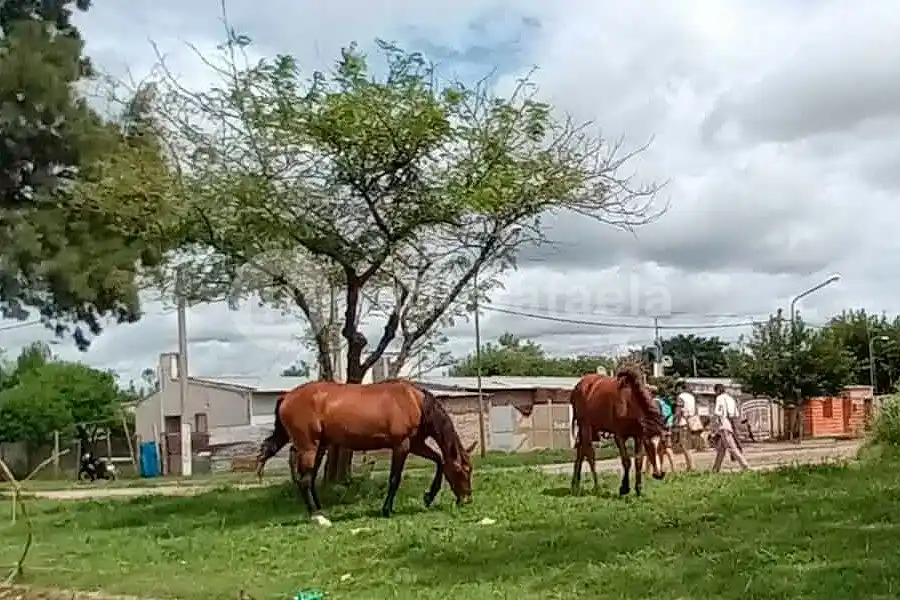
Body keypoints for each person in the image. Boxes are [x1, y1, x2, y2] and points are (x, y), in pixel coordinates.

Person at [711, 383, 750, 472]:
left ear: (717, 390)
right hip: (731, 424)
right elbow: (735, 414)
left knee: (732, 448)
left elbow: (718, 413)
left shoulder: (720, 398)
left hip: (723, 425)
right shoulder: (731, 398)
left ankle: (745, 466)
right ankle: (715, 469)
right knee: (721, 450)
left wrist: (713, 426)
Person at [673, 381, 697, 471]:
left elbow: (678, 410)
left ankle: (691, 466)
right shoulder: (692, 397)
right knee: (688, 444)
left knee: (684, 445)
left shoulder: (681, 397)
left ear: (680, 388)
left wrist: (674, 420)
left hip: (683, 422)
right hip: (690, 421)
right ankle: (690, 465)